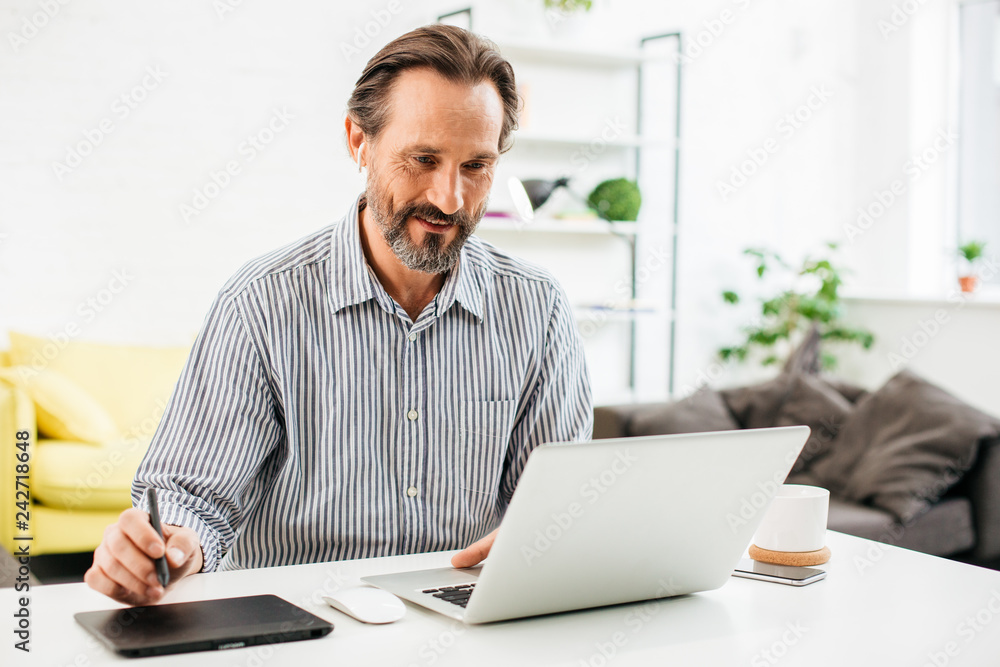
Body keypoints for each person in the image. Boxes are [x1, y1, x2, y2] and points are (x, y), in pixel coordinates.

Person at [84, 24, 592, 606]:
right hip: (305, 629)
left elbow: (561, 500)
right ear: (359, 141)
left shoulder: (537, 308)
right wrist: (167, 547)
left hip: (472, 627)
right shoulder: (261, 305)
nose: (449, 197)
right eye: (423, 159)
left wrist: (551, 536)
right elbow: (193, 500)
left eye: (475, 166)